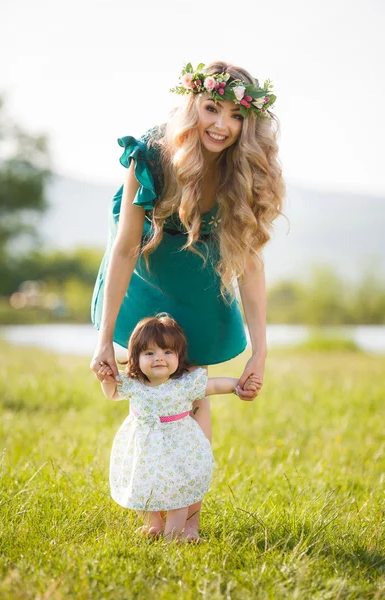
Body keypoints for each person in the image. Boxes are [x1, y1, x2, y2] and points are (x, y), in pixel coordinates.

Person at [90, 61, 286, 541]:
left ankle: (188, 517)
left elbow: (251, 266)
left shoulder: (247, 169)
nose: (221, 125)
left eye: (236, 116)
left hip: (202, 284)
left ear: (250, 123)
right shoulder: (151, 156)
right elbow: (124, 246)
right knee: (150, 401)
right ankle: (151, 510)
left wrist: (261, 350)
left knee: (192, 394)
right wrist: (101, 341)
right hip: (146, 276)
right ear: (192, 104)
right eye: (211, 109)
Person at [98, 314, 261, 542]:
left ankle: (174, 536)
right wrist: (106, 379)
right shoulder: (133, 384)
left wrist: (238, 385)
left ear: (178, 356)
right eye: (149, 353)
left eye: (167, 352)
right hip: (143, 449)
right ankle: (154, 524)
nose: (159, 358)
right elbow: (113, 393)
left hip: (179, 449)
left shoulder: (184, 384)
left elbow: (214, 385)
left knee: (178, 493)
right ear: (135, 357)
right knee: (139, 486)